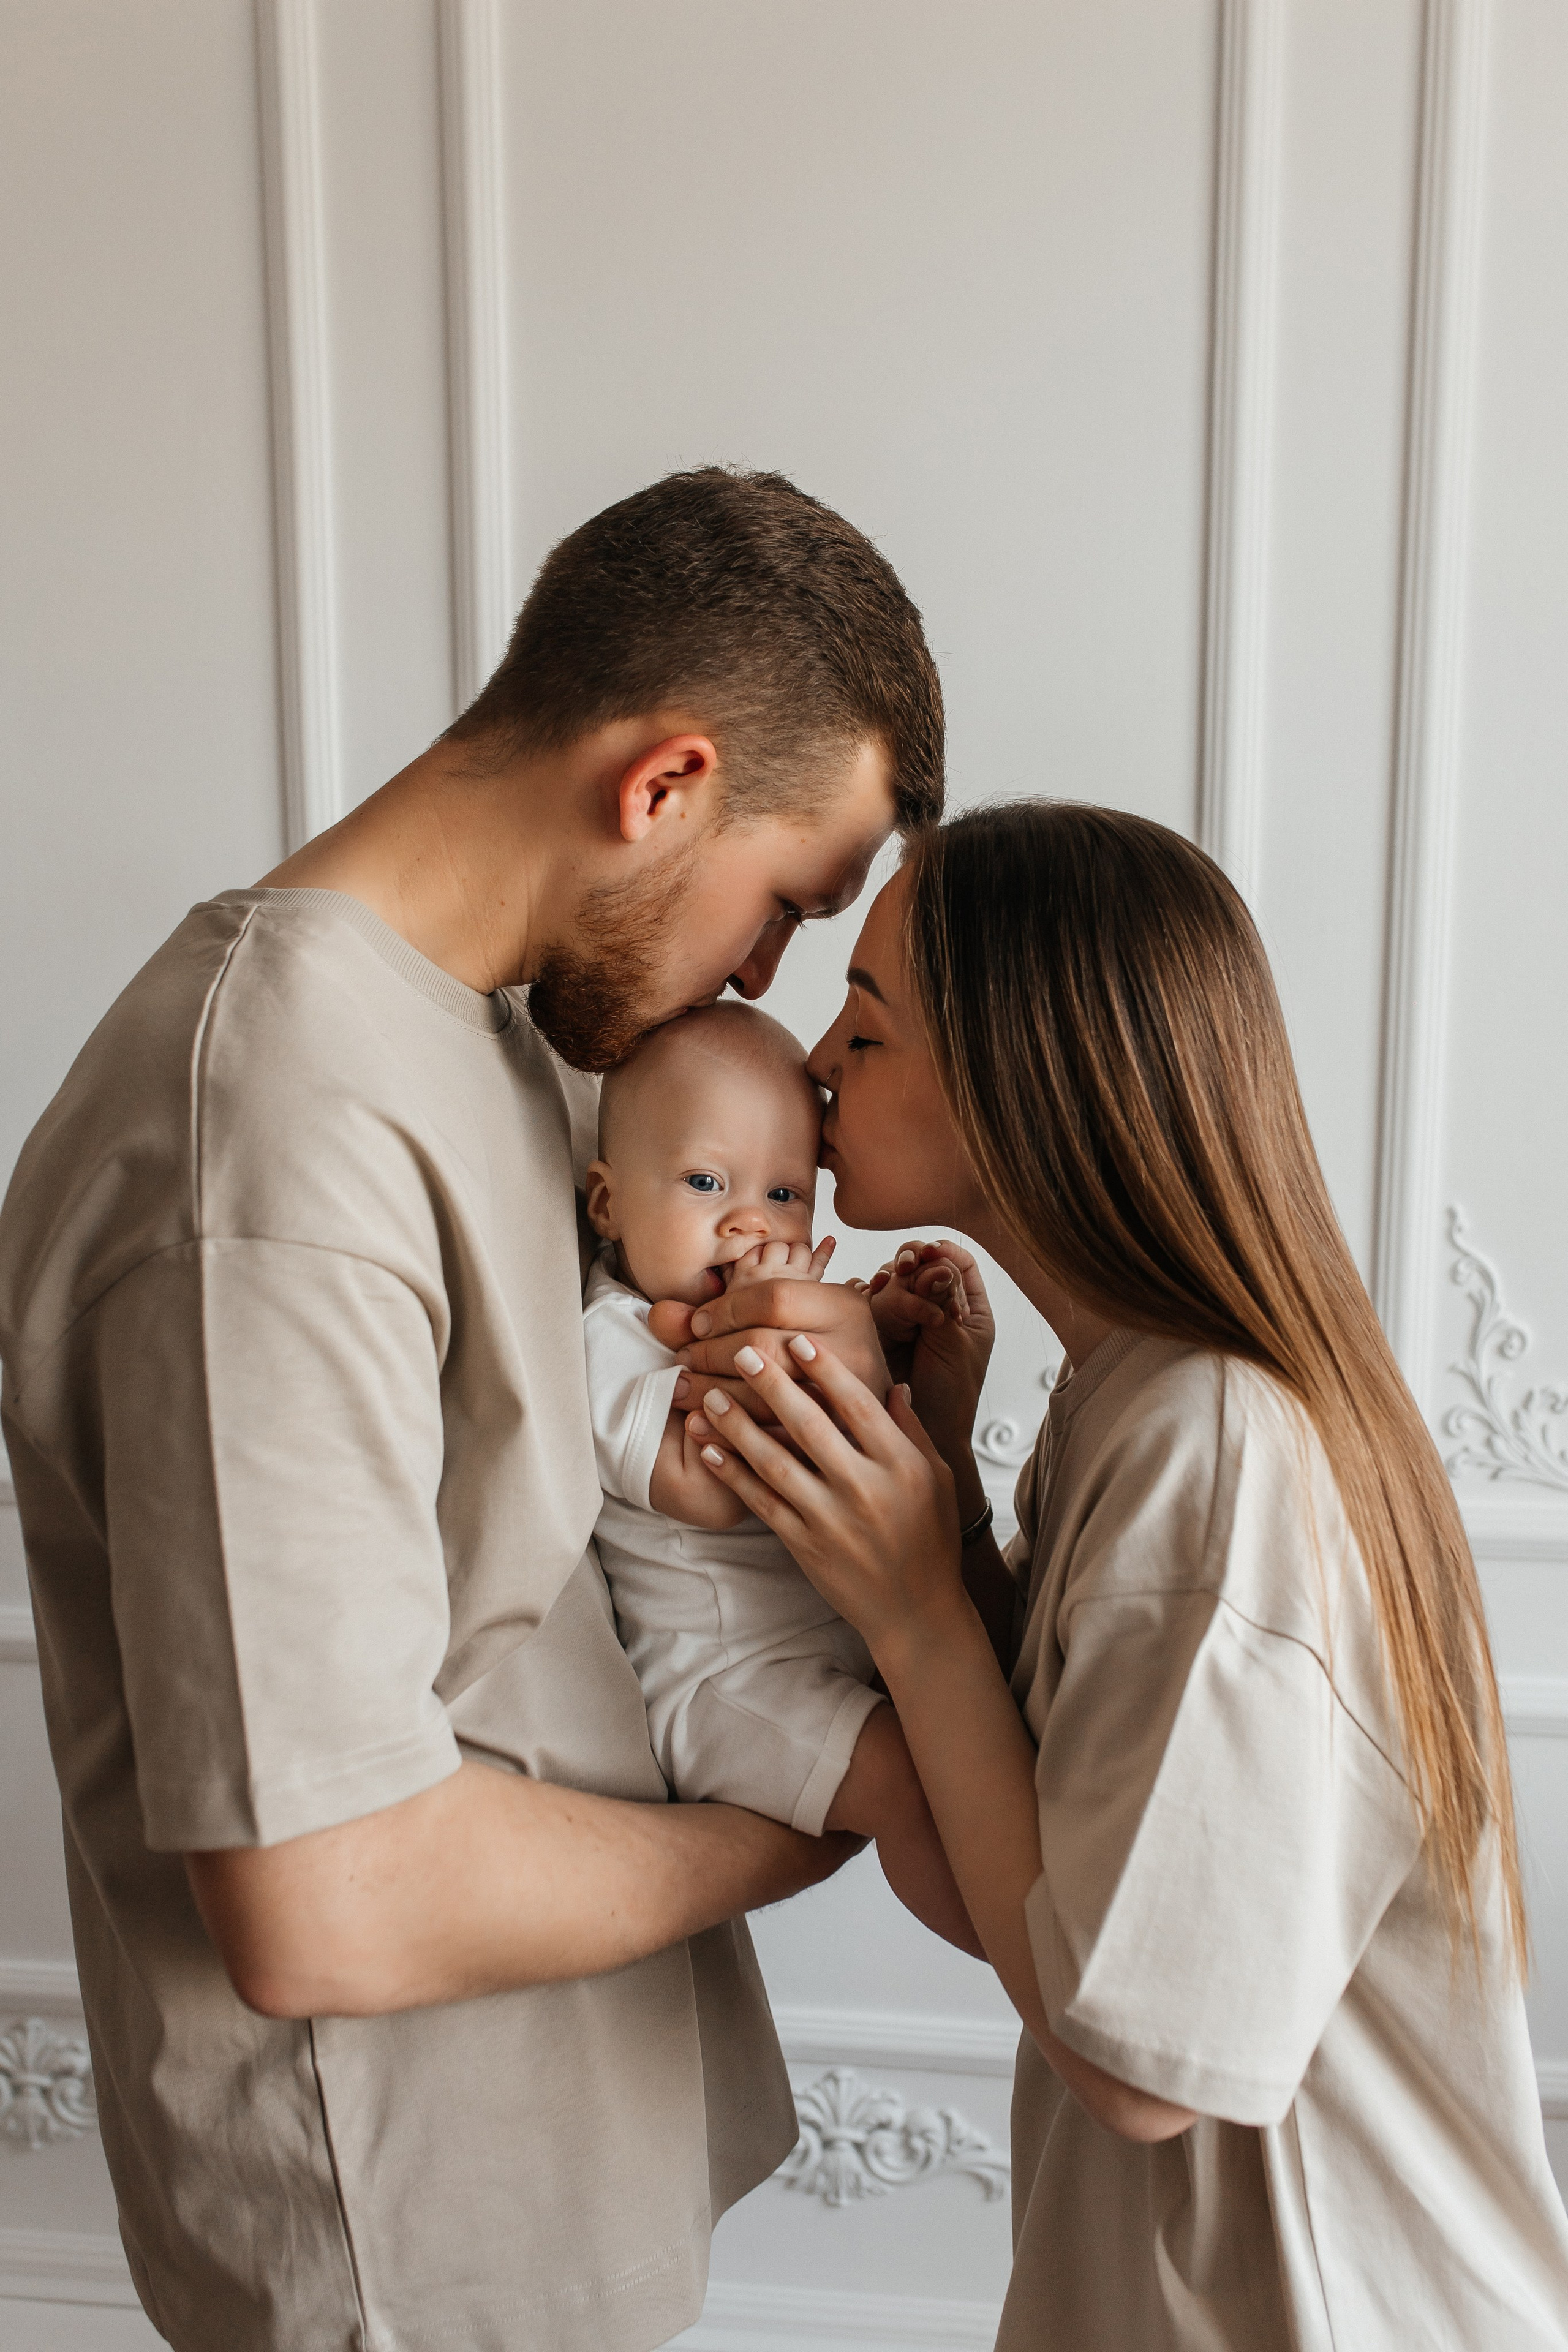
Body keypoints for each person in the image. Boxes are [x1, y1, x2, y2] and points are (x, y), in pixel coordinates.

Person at [0, 467, 943, 2352]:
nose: (765, 984)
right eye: (784, 905)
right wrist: (806, 1832)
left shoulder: (507, 1043)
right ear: (664, 783)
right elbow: (320, 1898)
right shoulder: (263, 1150)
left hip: (543, 2165)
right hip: (410, 2248)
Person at [677, 800, 1568, 2350]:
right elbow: (1051, 1874)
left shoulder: (1213, 1443)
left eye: (866, 1030)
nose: (813, 1064)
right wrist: (944, 1516)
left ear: (1022, 1081)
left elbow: (1144, 2063)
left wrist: (917, 1608)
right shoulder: (1132, 1396)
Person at [582, 999, 977, 1950]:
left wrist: (877, 1331)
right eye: (706, 1181)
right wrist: (803, 1350)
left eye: (786, 1195)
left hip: (830, 1647)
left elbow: (830, 1404)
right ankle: (1009, 1940)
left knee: (978, 1741)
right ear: (608, 1203)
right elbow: (709, 1489)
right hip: (726, 1683)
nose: (747, 1224)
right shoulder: (615, 1340)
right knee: (909, 1784)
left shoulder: (765, 1315)